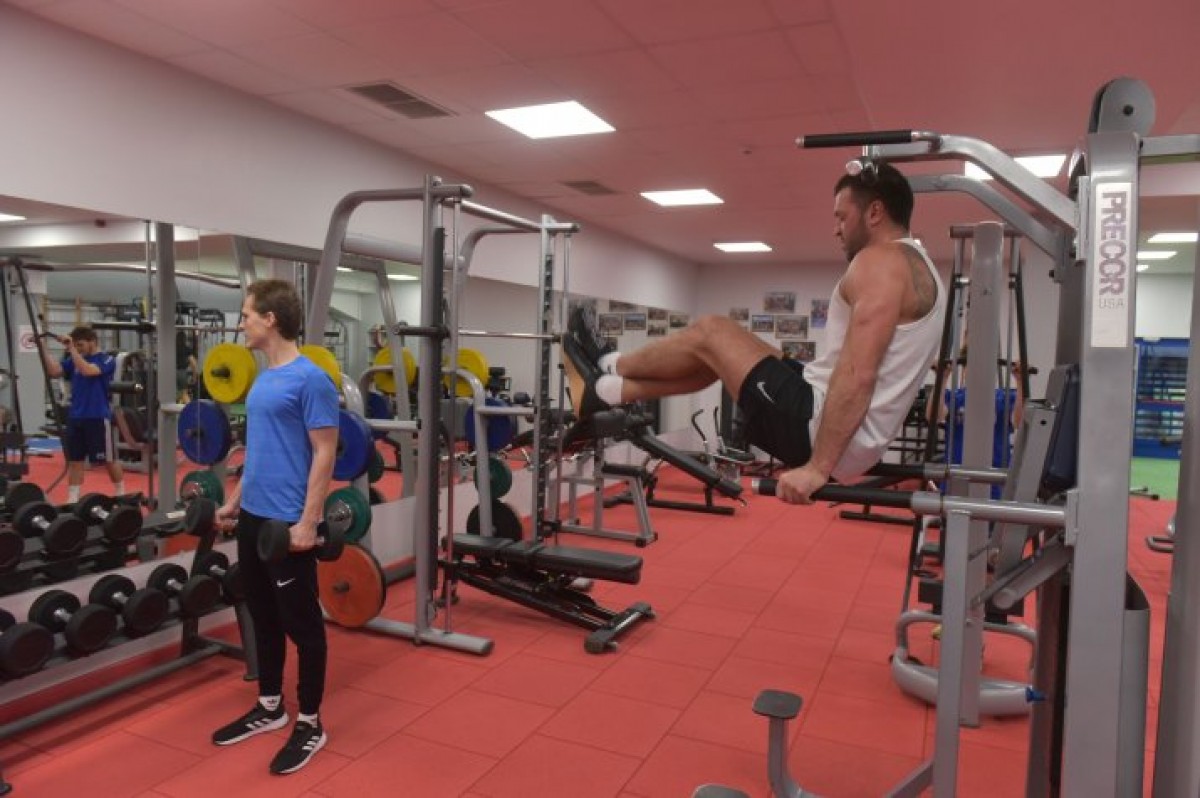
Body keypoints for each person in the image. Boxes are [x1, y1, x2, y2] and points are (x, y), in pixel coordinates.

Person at [562, 162, 946, 505]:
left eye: (842, 217)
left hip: (820, 429)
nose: (836, 229)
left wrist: (817, 468)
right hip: (847, 431)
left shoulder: (880, 262)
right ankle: (606, 391)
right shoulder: (922, 267)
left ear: (874, 212)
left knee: (710, 331)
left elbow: (858, 375)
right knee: (723, 353)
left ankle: (607, 364)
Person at [210, 279, 339, 776]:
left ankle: (310, 721)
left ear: (271, 319)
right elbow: (261, 453)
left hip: (288, 523)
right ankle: (270, 706)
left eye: (247, 315)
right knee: (262, 616)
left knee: (302, 626)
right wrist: (234, 502)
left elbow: (325, 452)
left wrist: (308, 522)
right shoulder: (263, 379)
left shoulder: (311, 379)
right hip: (255, 519)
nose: (241, 323)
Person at [39, 325, 125, 503]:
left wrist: (71, 349)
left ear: (92, 342)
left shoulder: (106, 359)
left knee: (109, 460)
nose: (78, 348)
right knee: (75, 460)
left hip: (97, 417)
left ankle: (121, 493)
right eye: (76, 345)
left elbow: (89, 370)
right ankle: (73, 498)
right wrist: (42, 347)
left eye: (81, 345)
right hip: (76, 417)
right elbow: (54, 371)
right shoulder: (75, 360)